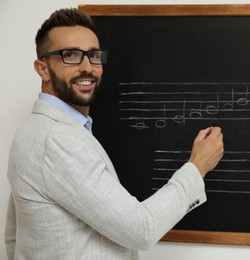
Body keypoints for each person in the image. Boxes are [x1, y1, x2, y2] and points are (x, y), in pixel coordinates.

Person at [4, 8, 223, 260]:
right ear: (42, 69)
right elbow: (141, 229)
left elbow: (15, 236)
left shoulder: (34, 129)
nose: (87, 67)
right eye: (70, 55)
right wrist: (197, 167)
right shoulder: (58, 140)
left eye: (94, 55)